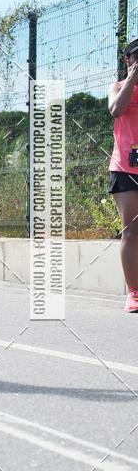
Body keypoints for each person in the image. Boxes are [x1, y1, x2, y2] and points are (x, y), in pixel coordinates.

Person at [108, 37, 138, 312]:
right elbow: (116, 110)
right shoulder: (117, 86)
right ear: (128, 60)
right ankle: (134, 293)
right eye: (136, 56)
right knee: (131, 229)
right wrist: (131, 79)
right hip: (126, 168)